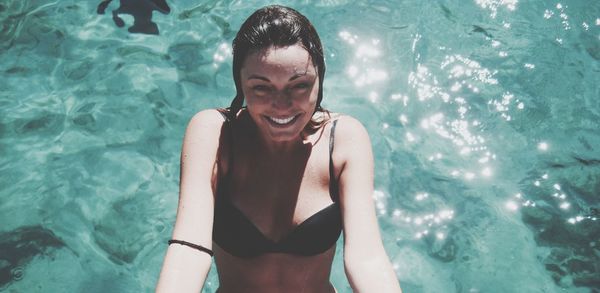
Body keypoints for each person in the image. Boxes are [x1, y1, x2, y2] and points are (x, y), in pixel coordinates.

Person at [156, 5, 402, 293]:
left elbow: (366, 258)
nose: (282, 105)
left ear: (320, 80)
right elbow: (189, 248)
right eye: (262, 87)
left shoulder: (344, 139)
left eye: (299, 85)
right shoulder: (214, 133)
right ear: (241, 84)